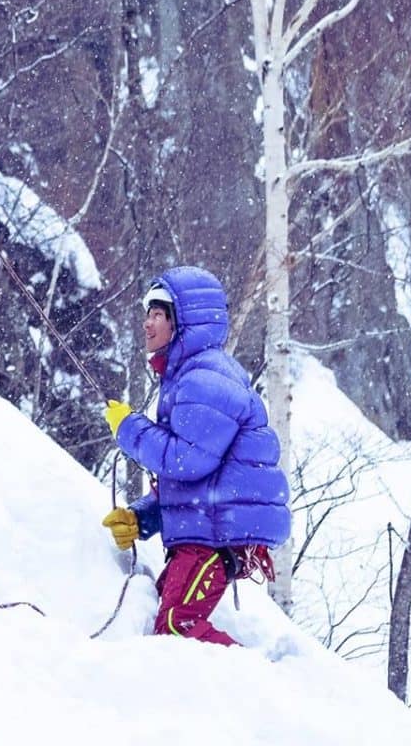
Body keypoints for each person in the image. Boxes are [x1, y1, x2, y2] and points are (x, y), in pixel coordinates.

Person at [100, 266, 291, 644]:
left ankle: (260, 686)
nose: (147, 324)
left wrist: (129, 429)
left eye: (158, 314)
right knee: (168, 615)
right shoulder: (188, 376)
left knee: (176, 626)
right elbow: (198, 482)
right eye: (147, 313)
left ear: (184, 321)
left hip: (215, 538)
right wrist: (142, 518)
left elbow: (186, 462)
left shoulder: (204, 378)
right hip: (206, 532)